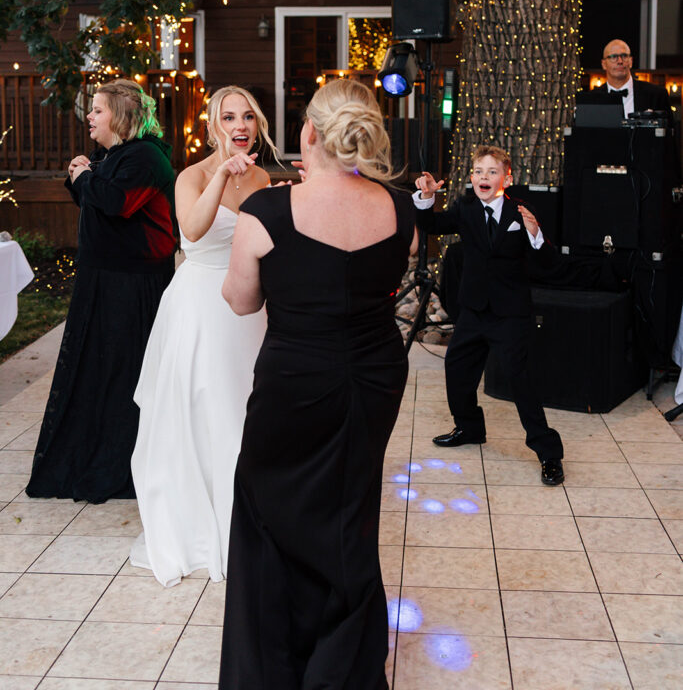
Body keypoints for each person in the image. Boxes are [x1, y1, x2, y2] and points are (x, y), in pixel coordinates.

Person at [218, 79, 418, 690]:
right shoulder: (401, 209)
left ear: (309, 134)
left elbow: (241, 302)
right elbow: (388, 278)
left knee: (268, 512)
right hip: (374, 374)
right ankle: (342, 671)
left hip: (295, 379)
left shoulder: (268, 212)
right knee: (348, 511)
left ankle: (272, 671)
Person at [130, 86, 273, 587]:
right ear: (213, 125)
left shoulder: (262, 177)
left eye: (248, 116)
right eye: (229, 116)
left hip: (248, 306)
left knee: (244, 408)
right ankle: (199, 525)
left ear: (257, 124)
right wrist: (220, 178)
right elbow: (190, 233)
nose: (240, 125)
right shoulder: (190, 176)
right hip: (198, 303)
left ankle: (246, 521)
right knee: (203, 407)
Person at [26, 79, 176, 503]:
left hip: (133, 286)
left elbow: (117, 202)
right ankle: (90, 455)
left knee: (123, 374)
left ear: (121, 116)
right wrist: (82, 176)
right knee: (97, 372)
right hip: (103, 280)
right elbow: (99, 202)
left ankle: (123, 466)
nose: (89, 117)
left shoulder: (146, 156)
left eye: (97, 109)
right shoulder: (112, 155)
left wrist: (85, 176)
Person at [414, 144, 565, 487]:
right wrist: (425, 198)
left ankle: (548, 453)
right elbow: (431, 225)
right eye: (479, 171)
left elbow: (548, 265)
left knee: (520, 381)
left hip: (510, 314)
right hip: (474, 311)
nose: (484, 177)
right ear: (471, 178)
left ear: (506, 179)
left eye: (492, 172)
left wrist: (536, 236)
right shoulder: (465, 208)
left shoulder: (520, 212)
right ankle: (469, 427)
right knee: (457, 369)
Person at [598, 38, 673, 120]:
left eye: (624, 56)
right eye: (613, 57)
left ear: (631, 61)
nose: (620, 61)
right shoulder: (594, 99)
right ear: (604, 64)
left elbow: (670, 131)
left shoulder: (656, 95)